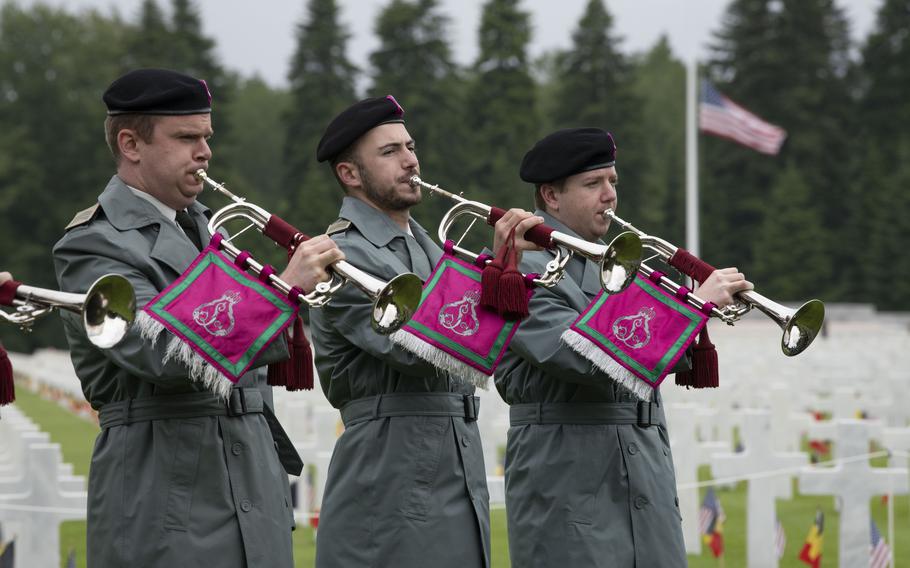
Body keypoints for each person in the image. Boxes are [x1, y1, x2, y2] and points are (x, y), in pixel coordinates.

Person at [52, 68, 343, 568]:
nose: (205, 152)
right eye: (186, 137)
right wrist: (282, 290)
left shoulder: (210, 231)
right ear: (131, 144)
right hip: (165, 499)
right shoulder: (93, 243)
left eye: (206, 137)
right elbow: (161, 351)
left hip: (251, 490)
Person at [497, 127, 753, 567]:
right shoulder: (520, 271)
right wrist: (691, 306)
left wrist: (683, 317)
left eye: (613, 182)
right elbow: (583, 357)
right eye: (593, 184)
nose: (609, 196)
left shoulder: (615, 264)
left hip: (644, 476)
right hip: (569, 480)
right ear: (551, 197)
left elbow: (653, 356)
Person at [308, 95, 541, 568]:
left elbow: (493, 344)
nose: (411, 159)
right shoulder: (342, 256)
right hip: (390, 472)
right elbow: (424, 346)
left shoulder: (432, 250)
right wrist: (498, 270)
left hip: (452, 464)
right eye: (390, 151)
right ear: (350, 175)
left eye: (410, 146)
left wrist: (513, 269)